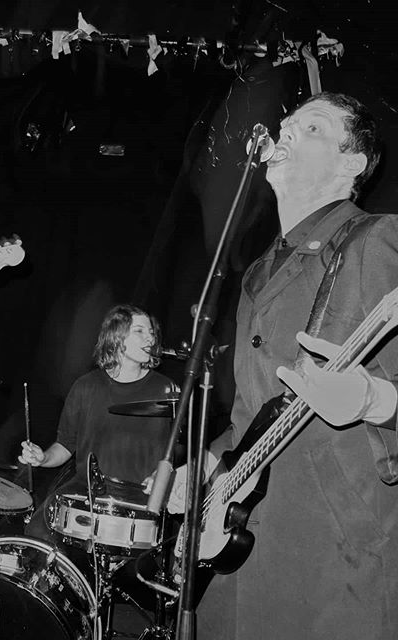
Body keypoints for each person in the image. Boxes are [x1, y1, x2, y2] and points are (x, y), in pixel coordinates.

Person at [158, 92, 398, 640]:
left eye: (312, 127)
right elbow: (251, 413)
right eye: (288, 121)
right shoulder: (258, 271)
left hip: (335, 561)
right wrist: (207, 468)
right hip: (241, 556)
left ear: (351, 163)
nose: (286, 129)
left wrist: (373, 400)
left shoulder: (377, 240)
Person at [19, 303, 179, 541]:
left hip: (141, 497)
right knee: (37, 532)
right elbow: (65, 446)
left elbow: (179, 450)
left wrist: (162, 477)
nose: (150, 338)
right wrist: (43, 458)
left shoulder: (167, 390)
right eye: (139, 331)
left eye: (151, 332)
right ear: (116, 336)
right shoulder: (85, 386)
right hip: (86, 491)